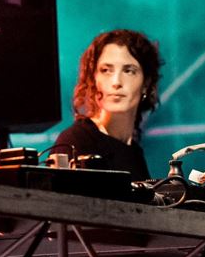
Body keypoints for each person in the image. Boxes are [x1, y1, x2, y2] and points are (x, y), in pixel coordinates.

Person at [55, 29, 163, 180]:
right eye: (106, 70)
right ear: (93, 79)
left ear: (146, 83)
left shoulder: (134, 152)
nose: (116, 82)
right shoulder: (75, 142)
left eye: (129, 71)